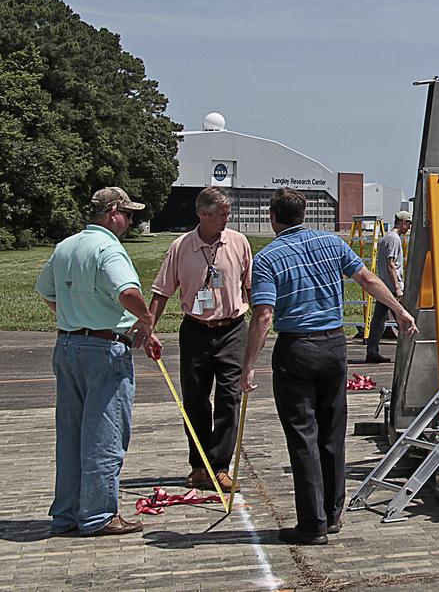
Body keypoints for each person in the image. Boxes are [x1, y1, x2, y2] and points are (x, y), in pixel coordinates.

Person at [242, 188, 417, 545]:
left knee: (302, 435)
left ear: (273, 216)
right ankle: (333, 514)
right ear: (304, 213)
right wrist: (399, 311)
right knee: (332, 431)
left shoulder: (268, 258)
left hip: (296, 348)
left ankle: (312, 523)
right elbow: (367, 279)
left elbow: (263, 314)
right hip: (333, 345)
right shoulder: (332, 245)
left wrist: (247, 365)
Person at [36, 187, 160, 537]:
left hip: (68, 344)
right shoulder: (109, 248)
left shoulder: (66, 246)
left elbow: (46, 290)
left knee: (71, 434)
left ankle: (67, 513)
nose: (132, 221)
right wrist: (147, 321)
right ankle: (99, 514)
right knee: (104, 434)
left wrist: (75, 315)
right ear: (114, 213)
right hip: (104, 350)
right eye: (130, 214)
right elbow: (128, 293)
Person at [149, 186, 252, 492]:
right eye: (222, 214)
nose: (227, 219)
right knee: (194, 399)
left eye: (228, 213)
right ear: (203, 215)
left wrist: (262, 320)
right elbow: (161, 291)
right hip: (195, 330)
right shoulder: (181, 247)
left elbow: (252, 287)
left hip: (232, 328)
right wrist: (148, 328)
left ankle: (220, 465)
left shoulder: (238, 243)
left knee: (229, 398)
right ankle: (199, 465)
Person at [367, 210, 411, 363]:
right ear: (403, 222)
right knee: (403, 317)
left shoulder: (386, 237)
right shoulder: (394, 239)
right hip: (391, 287)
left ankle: (372, 351)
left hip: (384, 285)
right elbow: (391, 263)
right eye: (409, 224)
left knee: (379, 319)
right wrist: (398, 286)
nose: (409, 228)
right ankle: (411, 350)